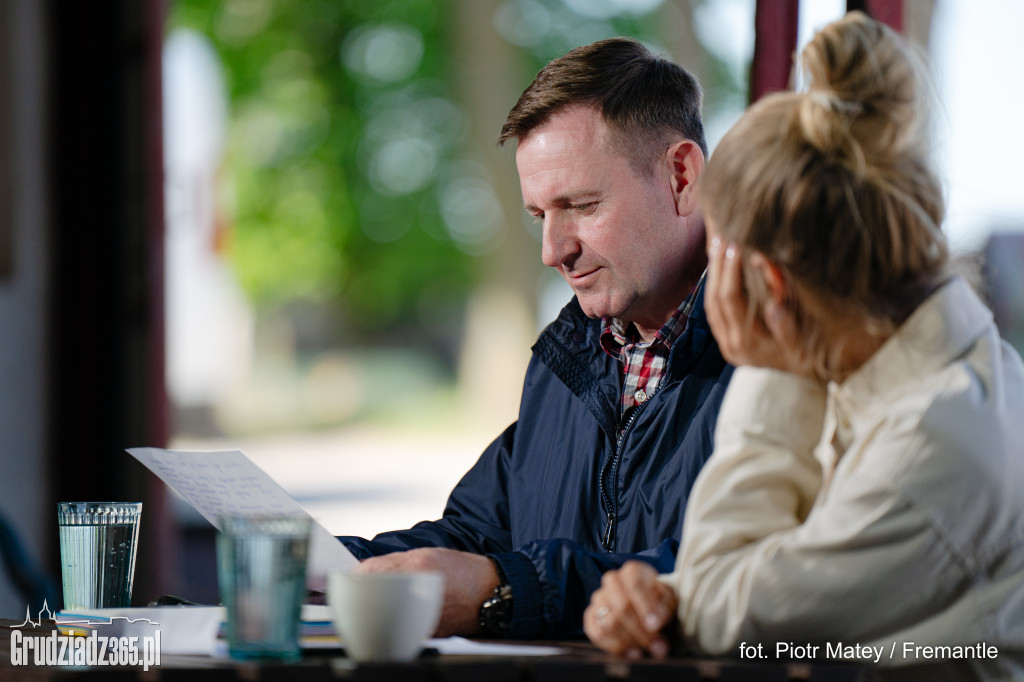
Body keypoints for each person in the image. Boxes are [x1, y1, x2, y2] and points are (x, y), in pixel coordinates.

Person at [583, 11, 1024, 676]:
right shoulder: (920, 373)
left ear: (765, 279)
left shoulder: (930, 443)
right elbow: (748, 597)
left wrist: (765, 366)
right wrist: (656, 599)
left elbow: (726, 622)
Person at [339, 38, 733, 639]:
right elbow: (479, 538)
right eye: (539, 216)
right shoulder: (566, 362)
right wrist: (321, 564)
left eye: (581, 204)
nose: (554, 251)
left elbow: (733, 574)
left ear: (681, 176)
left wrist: (505, 589)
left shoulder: (778, 359)